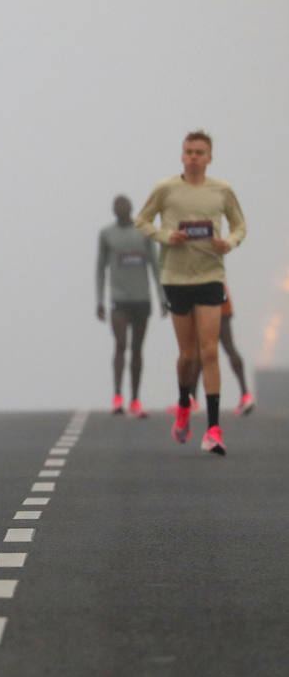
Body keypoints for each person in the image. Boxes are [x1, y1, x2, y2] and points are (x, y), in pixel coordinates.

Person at [135, 130, 247, 455]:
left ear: (210, 157)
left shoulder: (222, 191)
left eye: (200, 152)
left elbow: (240, 225)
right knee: (189, 354)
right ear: (182, 156)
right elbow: (143, 221)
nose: (194, 157)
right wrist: (167, 236)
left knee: (210, 351)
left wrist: (230, 242)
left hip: (211, 275)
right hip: (177, 278)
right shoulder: (166, 189)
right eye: (189, 151)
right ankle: (184, 402)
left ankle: (213, 429)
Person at [96, 194, 167, 417]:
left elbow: (156, 267)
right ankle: (118, 396)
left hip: (142, 299)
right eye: (116, 205)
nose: (120, 208)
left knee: (137, 349)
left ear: (131, 208)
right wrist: (99, 300)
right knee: (120, 345)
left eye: (123, 205)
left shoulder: (143, 232)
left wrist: (163, 298)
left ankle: (135, 399)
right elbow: (100, 269)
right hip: (119, 300)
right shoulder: (107, 234)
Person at [187, 284, 256, 416]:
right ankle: (245, 395)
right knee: (229, 348)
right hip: (220, 301)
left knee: (199, 352)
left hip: (204, 303)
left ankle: (192, 400)